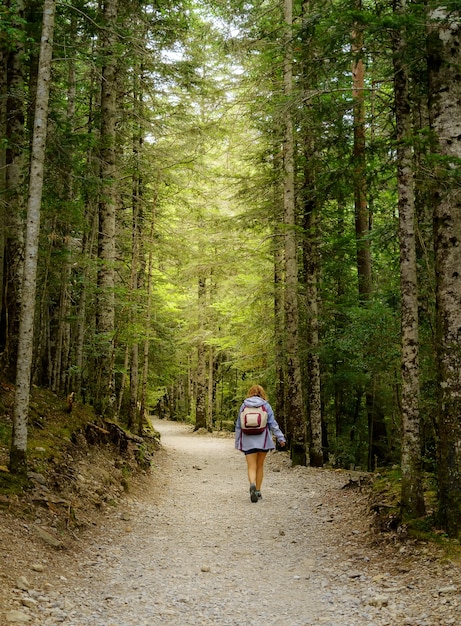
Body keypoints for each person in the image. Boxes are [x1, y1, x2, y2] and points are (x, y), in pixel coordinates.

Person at [235, 384, 286, 502]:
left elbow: (238, 425)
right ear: (262, 394)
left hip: (248, 440)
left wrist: (238, 442)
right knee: (260, 465)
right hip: (263, 440)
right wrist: (281, 438)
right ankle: (257, 491)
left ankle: (252, 484)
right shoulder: (266, 405)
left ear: (250, 393)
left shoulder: (244, 405)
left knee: (251, 466)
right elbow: (273, 424)